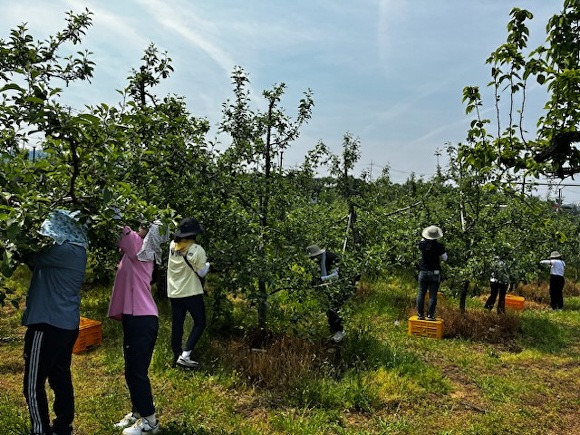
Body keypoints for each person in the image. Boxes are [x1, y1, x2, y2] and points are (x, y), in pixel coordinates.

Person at [21, 210, 88, 435]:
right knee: (60, 377)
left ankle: (40, 430)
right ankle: (63, 425)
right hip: (65, 324)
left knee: (33, 382)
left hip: (47, 324)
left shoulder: (62, 251)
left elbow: (27, 252)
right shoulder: (77, 250)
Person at [109, 221, 167, 435]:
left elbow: (115, 222)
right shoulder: (136, 251)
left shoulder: (142, 250)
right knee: (132, 369)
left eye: (145, 224)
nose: (139, 227)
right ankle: (137, 412)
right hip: (136, 318)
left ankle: (150, 423)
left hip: (141, 319)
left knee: (136, 372)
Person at [167, 217, 210, 369]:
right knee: (200, 322)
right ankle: (185, 356)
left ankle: (176, 356)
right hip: (191, 292)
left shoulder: (173, 245)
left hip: (174, 292)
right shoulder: (197, 250)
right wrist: (208, 265)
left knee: (177, 324)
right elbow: (202, 272)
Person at [307, 244, 346, 343]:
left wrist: (321, 279)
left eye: (314, 257)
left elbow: (335, 275)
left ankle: (340, 331)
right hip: (330, 286)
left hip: (342, 284)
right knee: (328, 308)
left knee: (333, 308)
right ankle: (335, 332)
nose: (314, 260)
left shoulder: (331, 257)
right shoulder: (319, 261)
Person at [416, 225, 447, 320]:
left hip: (423, 272)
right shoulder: (439, 246)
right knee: (433, 295)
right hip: (435, 272)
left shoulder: (422, 245)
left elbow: (422, 241)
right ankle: (430, 315)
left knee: (421, 293)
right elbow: (445, 258)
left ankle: (420, 315)